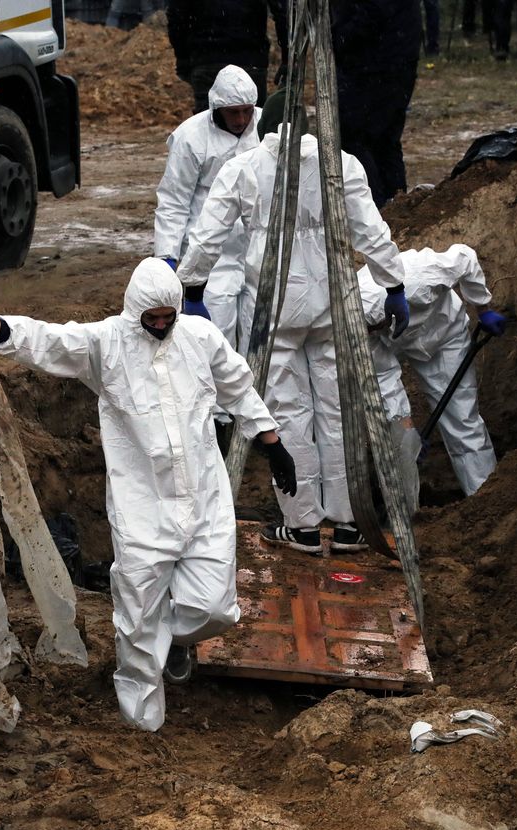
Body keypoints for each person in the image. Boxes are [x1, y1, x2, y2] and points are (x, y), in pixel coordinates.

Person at [0, 258, 296, 733]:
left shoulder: (200, 339)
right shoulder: (106, 343)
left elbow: (237, 386)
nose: (159, 327)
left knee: (214, 610)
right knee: (136, 621)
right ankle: (141, 728)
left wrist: (270, 441)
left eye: (166, 319)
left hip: (203, 498)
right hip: (141, 507)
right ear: (134, 310)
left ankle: (173, 642)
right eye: (150, 319)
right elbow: (51, 340)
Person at [177, 91, 409, 555]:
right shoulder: (339, 164)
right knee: (337, 410)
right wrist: (394, 284)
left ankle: (301, 524)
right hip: (329, 300)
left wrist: (193, 289)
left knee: (287, 413)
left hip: (274, 305)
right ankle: (348, 523)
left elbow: (207, 236)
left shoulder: (244, 168)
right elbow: (370, 230)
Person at [357, 245, 507, 496]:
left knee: (462, 421)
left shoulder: (422, 276)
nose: (372, 332)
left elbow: (466, 258)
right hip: (399, 344)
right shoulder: (362, 325)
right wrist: (407, 431)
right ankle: (406, 511)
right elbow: (384, 379)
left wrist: (483, 308)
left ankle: (485, 498)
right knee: (399, 440)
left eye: (376, 327)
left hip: (446, 335)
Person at [154, 65, 262, 353]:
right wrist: (168, 255)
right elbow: (174, 200)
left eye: (246, 111)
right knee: (216, 338)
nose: (241, 119)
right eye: (233, 112)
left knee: (260, 337)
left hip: (258, 251)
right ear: (217, 108)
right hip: (212, 256)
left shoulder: (266, 128)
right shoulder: (191, 137)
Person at [331, 0, 423, 207]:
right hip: (392, 58)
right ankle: (397, 207)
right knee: (384, 139)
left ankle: (375, 208)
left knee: (356, 137)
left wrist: (338, 38)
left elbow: (370, 14)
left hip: (376, 64)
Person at [167, 0, 289, 113]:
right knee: (251, 125)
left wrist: (183, 58)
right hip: (249, 58)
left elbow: (176, 17)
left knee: (209, 126)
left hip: (208, 58)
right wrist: (287, 57)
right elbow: (283, 12)